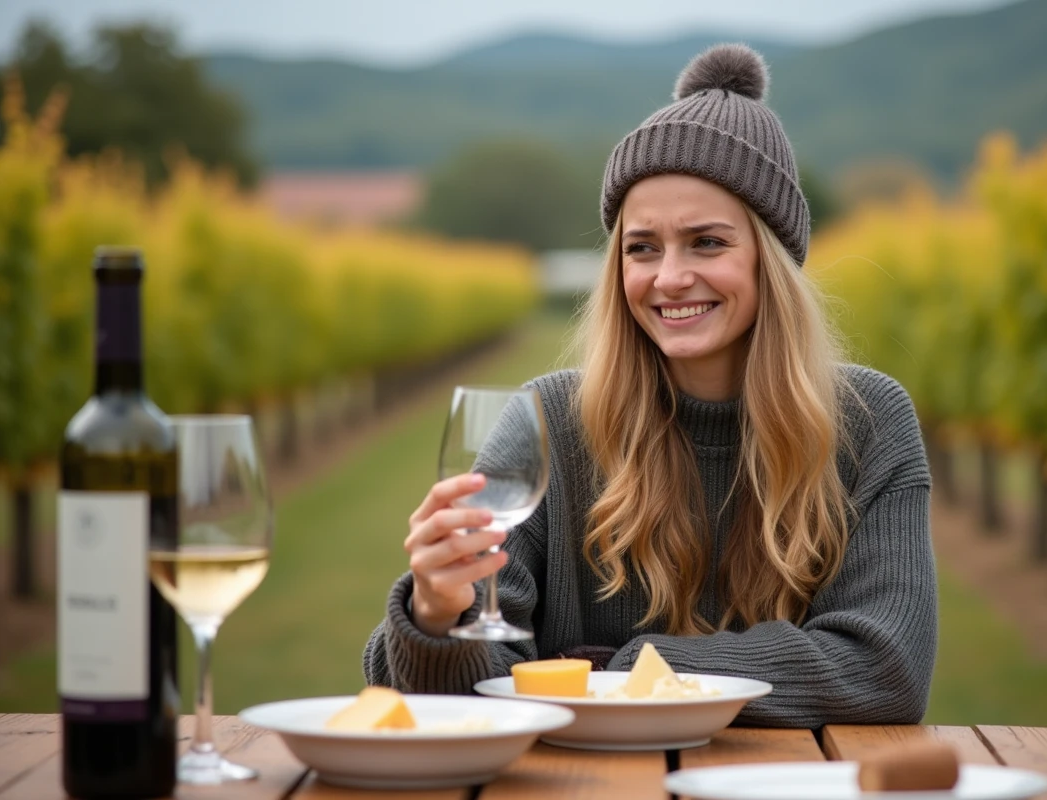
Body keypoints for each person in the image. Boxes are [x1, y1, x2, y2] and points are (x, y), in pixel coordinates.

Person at [362, 43, 937, 727]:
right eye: (642, 248)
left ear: (769, 260)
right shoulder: (548, 421)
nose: (668, 277)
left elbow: (885, 670)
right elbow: (465, 694)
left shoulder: (869, 422)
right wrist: (434, 611)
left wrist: (625, 669)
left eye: (707, 242)